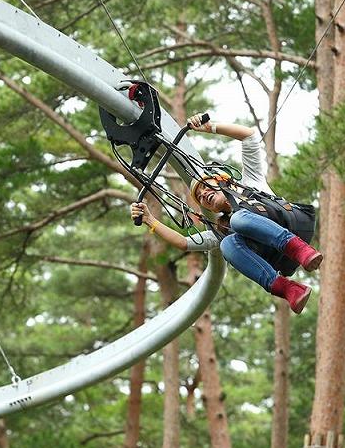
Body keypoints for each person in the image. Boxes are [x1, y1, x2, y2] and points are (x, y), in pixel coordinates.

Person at [130, 114, 323, 314]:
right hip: (276, 256)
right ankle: (287, 288)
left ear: (223, 180)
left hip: (290, 224)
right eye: (200, 198)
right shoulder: (223, 227)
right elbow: (183, 242)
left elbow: (248, 136)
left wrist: (209, 128)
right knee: (226, 243)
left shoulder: (251, 182)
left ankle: (299, 249)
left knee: (239, 219)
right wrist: (149, 220)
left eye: (206, 187)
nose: (204, 194)